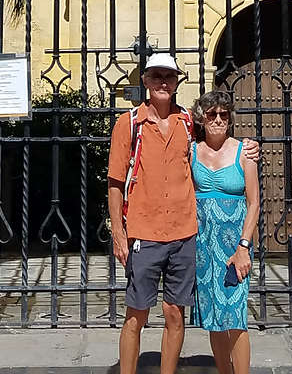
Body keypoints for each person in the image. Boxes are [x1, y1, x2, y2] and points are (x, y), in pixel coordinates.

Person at [107, 52, 197, 374]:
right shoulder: (129, 123)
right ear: (145, 81)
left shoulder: (188, 122)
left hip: (184, 231)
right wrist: (119, 232)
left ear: (176, 83)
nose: (163, 82)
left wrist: (247, 147)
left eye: (169, 77)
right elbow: (115, 182)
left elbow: (215, 147)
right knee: (136, 315)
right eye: (156, 75)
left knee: (175, 312)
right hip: (144, 233)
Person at [190, 88, 260, 374]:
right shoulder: (191, 151)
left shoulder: (245, 152)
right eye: (211, 114)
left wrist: (244, 246)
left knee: (235, 316)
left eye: (223, 114)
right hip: (203, 245)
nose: (218, 119)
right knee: (214, 316)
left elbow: (254, 202)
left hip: (234, 247)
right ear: (201, 118)